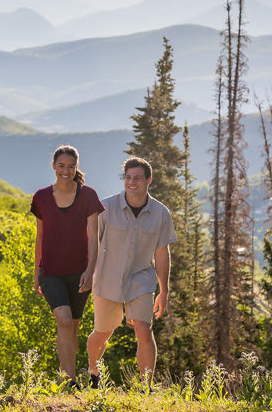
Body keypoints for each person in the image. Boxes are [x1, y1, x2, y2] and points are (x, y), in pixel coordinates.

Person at [87, 157, 175, 389]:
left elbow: (162, 253)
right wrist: (87, 274)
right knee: (102, 333)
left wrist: (164, 291)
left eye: (137, 178)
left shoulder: (160, 213)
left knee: (144, 331)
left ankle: (146, 388)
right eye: (128, 177)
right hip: (107, 278)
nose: (131, 182)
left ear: (149, 180)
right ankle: (94, 373)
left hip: (141, 279)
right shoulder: (105, 208)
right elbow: (91, 244)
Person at [30, 145, 105, 389]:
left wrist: (90, 272)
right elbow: (39, 237)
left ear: (76, 167)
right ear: (53, 166)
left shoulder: (88, 196)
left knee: (72, 327)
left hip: (79, 272)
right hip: (50, 272)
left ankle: (69, 377)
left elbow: (94, 238)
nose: (66, 171)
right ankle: (68, 380)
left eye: (71, 167)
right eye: (61, 166)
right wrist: (36, 274)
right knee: (63, 321)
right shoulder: (41, 197)